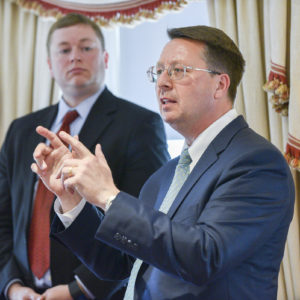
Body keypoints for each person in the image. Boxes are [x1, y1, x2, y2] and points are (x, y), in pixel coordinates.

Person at [32, 25, 294, 300]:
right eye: (158, 72)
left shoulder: (256, 163)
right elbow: (120, 265)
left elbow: (205, 257)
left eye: (178, 70)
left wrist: (109, 196)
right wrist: (72, 199)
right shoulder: (165, 175)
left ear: (220, 85)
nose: (162, 82)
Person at [0, 13, 170, 300]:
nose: (75, 57)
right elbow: (3, 220)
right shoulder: (21, 129)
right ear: (50, 64)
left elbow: (144, 222)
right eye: (64, 50)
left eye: (86, 47)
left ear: (105, 58)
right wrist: (12, 286)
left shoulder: (140, 124)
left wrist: (79, 290)